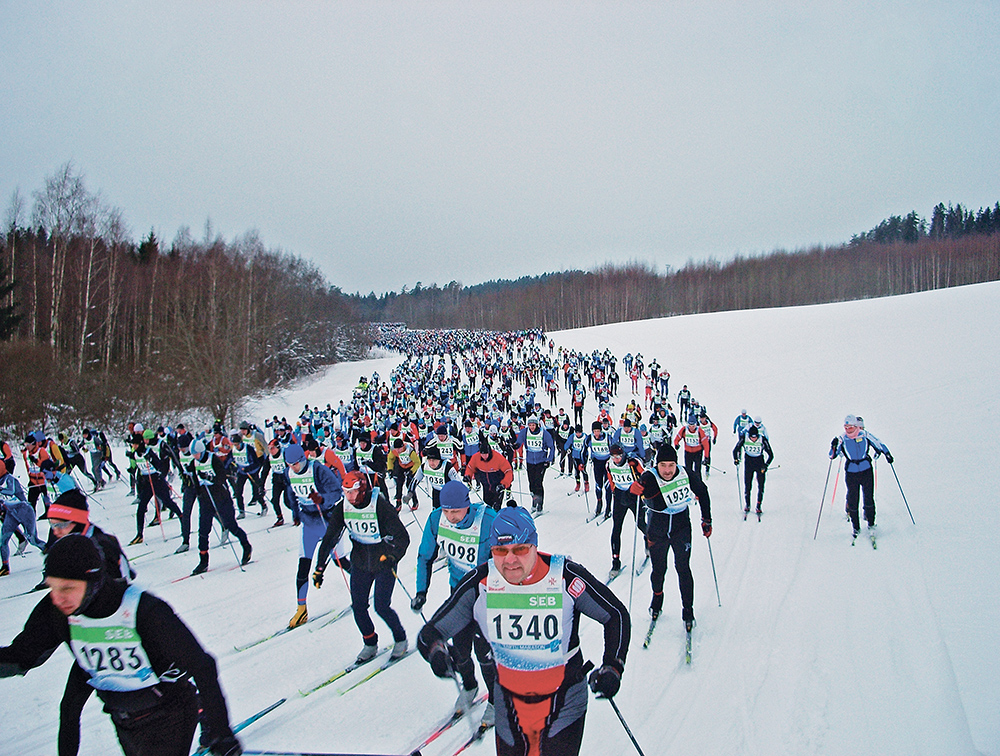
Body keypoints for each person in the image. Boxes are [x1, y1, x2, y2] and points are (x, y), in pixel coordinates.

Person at [0, 534, 243, 756]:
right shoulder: (58, 610)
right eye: (52, 586)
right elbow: (23, 656)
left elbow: (202, 666)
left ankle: (204, 719)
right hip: (123, 718)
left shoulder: (145, 611)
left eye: (68, 588)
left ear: (93, 581)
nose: (57, 597)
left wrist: (222, 732)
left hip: (170, 714)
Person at [417, 506, 630, 756]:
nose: (509, 560)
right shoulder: (481, 583)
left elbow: (615, 616)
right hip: (509, 703)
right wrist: (437, 653)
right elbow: (431, 633)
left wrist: (613, 666)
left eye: (519, 549)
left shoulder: (565, 577)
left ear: (534, 546)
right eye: (500, 551)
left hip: (563, 700)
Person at [411, 480, 498, 720]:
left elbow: (504, 561)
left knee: (484, 652)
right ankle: (469, 686)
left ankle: (495, 698)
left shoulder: (488, 520)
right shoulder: (436, 519)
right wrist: (421, 591)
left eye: (456, 511)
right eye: (446, 511)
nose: (451, 517)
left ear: (467, 506)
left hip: (486, 595)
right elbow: (424, 556)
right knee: (460, 649)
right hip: (458, 593)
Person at [314, 471, 410, 663]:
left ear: (363, 490)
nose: (349, 497)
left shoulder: (379, 505)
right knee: (358, 606)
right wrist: (319, 567)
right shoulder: (343, 507)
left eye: (353, 492)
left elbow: (402, 537)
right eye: (346, 492)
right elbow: (330, 538)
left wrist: (393, 556)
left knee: (381, 607)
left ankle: (400, 638)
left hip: (383, 559)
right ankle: (370, 642)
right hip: (360, 561)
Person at [629, 444, 711, 629]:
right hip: (657, 527)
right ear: (657, 465)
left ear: (676, 464)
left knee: (683, 568)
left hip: (681, 527)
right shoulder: (650, 476)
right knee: (658, 570)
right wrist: (634, 489)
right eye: (663, 465)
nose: (667, 470)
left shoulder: (685, 473)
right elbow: (634, 491)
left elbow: (703, 492)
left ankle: (688, 610)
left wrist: (707, 519)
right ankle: (657, 600)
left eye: (671, 465)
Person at [283, 442, 344, 628]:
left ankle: (366, 584)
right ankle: (301, 609)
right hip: (309, 522)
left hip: (328, 520)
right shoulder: (289, 473)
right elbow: (291, 493)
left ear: (303, 459)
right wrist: (295, 512)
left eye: (296, 464)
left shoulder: (318, 470)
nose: (293, 468)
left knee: (339, 560)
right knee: (303, 565)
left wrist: (322, 499)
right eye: (290, 464)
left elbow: (337, 491)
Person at [186, 439, 253, 576]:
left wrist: (209, 478)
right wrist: (191, 482)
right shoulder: (194, 462)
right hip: (206, 499)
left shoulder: (213, 459)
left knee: (230, 525)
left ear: (202, 451)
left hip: (221, 497)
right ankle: (203, 561)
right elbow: (194, 480)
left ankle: (246, 546)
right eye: (193, 455)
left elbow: (222, 477)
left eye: (197, 454)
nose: (195, 457)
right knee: (203, 530)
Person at [830, 414, 893, 538]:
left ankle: (871, 523)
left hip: (866, 470)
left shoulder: (864, 435)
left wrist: (887, 454)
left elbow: (878, 443)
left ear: (856, 426)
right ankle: (856, 527)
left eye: (851, 427)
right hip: (851, 472)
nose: (848, 430)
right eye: (846, 427)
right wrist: (833, 446)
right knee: (853, 499)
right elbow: (832, 456)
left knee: (868, 497)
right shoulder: (842, 438)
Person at [0, 460, 47, 576]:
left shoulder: (9, 479)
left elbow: (10, 491)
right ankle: (5, 567)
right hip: (12, 514)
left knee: (32, 539)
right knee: (3, 540)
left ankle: (51, 554)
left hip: (24, 511)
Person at [606, 444, 646, 576]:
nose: (616, 460)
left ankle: (649, 542)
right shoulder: (609, 464)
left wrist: (642, 489)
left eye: (618, 457)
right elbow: (611, 479)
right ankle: (615, 562)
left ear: (623, 455)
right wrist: (614, 491)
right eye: (613, 457)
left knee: (640, 524)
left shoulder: (633, 463)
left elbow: (645, 476)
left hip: (634, 496)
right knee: (616, 528)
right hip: (620, 496)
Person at [514, 415, 555, 514]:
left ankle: (540, 504)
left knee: (538, 482)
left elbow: (552, 447)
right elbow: (519, 442)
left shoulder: (544, 433)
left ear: (537, 424)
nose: (532, 427)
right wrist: (515, 445)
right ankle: (534, 501)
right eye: (530, 425)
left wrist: (549, 460)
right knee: (531, 483)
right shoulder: (525, 432)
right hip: (530, 461)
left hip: (541, 462)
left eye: (533, 425)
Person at [462, 433, 514, 511]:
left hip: (498, 486)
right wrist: (467, 476)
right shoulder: (476, 457)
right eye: (482, 454)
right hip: (486, 486)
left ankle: (496, 520)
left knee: (496, 508)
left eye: (486, 454)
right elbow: (470, 467)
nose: (484, 456)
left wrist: (504, 484)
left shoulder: (498, 457)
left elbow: (509, 472)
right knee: (487, 506)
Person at [733, 424, 774, 515]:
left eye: (755, 437)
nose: (754, 439)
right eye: (752, 437)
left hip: (759, 463)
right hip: (749, 463)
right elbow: (735, 450)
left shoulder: (762, 440)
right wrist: (736, 459)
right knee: (748, 485)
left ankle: (759, 505)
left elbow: (771, 455)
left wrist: (766, 465)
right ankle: (747, 504)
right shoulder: (744, 438)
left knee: (761, 485)